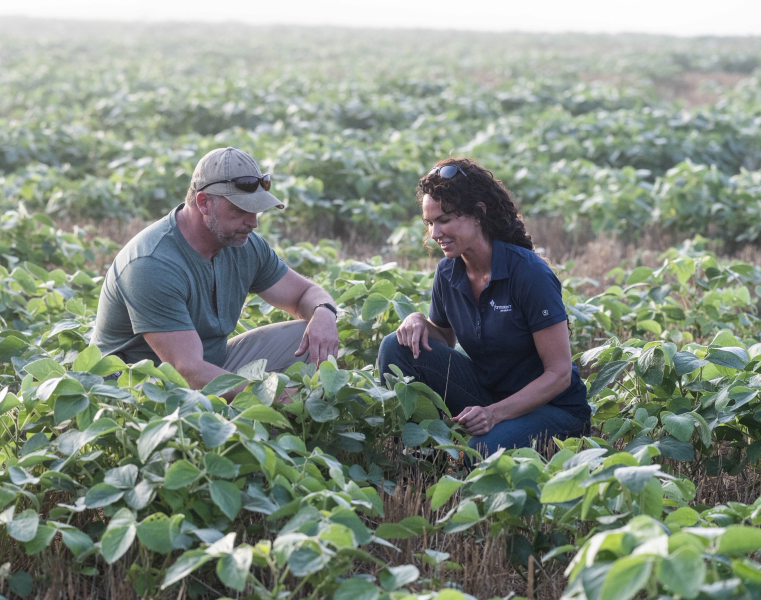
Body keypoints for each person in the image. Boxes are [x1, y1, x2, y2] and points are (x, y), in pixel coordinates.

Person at [377, 158, 590, 457]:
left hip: (554, 409)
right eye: (429, 223)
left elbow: (558, 375)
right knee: (394, 348)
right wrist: (417, 321)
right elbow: (443, 340)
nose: (435, 233)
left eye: (445, 219)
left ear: (478, 213)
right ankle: (425, 456)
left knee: (483, 452)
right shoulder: (448, 272)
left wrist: (493, 414)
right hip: (488, 393)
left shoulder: (528, 273)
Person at [92, 147, 339, 401]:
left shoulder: (242, 243)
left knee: (310, 337)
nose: (253, 222)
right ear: (203, 203)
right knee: (274, 398)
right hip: (141, 392)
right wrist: (273, 396)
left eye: (256, 210)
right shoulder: (152, 263)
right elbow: (187, 371)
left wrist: (323, 311)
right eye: (241, 210)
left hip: (211, 368)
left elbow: (305, 294)